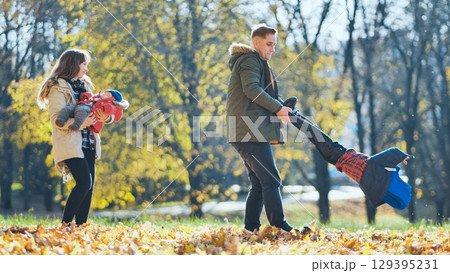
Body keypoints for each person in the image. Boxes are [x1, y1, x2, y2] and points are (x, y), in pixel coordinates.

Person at [283, 97, 413, 209]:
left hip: (338, 153)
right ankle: (292, 114)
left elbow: (391, 152)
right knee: (313, 134)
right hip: (335, 159)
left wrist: (402, 156)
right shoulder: (372, 188)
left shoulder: (376, 169)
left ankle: (291, 114)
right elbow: (386, 193)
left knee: (314, 133)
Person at [226, 24, 296, 232]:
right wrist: (278, 108)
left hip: (248, 131)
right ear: (255, 43)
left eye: (274, 45)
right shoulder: (250, 60)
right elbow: (252, 89)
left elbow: (264, 93)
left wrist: (283, 107)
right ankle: (278, 225)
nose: (272, 49)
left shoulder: (255, 62)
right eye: (269, 44)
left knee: (259, 182)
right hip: (249, 131)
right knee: (271, 178)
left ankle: (251, 229)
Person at [37, 49, 112, 226]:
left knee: (90, 186)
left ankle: (80, 227)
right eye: (84, 64)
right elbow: (57, 120)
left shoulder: (85, 86)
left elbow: (100, 109)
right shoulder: (58, 88)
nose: (86, 69)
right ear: (73, 64)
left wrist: (104, 117)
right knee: (84, 183)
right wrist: (82, 122)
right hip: (70, 142)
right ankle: (65, 225)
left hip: (88, 141)